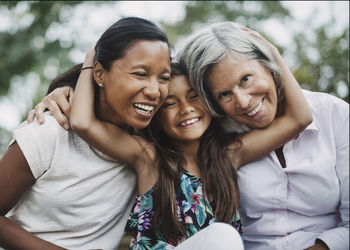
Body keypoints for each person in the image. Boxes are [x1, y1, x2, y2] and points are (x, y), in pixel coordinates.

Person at [28, 25, 312, 249]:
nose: (186, 110)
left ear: (210, 104)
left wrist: (270, 52)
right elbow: (81, 122)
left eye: (193, 97)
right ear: (156, 114)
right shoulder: (148, 157)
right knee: (223, 238)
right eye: (170, 103)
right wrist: (93, 58)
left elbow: (300, 118)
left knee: (222, 238)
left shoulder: (229, 154)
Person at [0, 17, 172, 250]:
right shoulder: (49, 132)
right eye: (140, 74)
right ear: (99, 73)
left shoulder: (150, 143)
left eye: (164, 78)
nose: (154, 91)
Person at [176, 21, 349, 250]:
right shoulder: (220, 139)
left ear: (269, 65)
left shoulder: (333, 114)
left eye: (246, 79)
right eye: (224, 94)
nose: (243, 101)